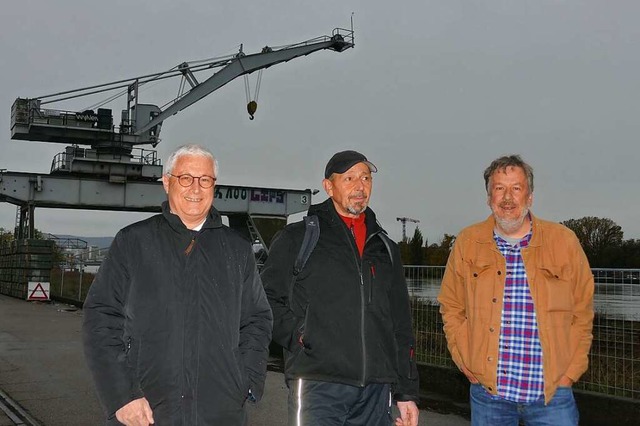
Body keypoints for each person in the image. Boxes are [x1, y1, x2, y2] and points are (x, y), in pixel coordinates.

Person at [82, 144, 273, 425]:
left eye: (204, 180)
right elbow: (100, 318)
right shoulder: (133, 242)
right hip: (146, 410)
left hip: (221, 412)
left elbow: (257, 320)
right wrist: (121, 395)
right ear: (167, 182)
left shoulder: (237, 249)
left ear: (214, 185)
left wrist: (246, 382)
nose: (195, 188)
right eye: (186, 178)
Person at [261, 150, 420, 426]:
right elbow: (265, 299)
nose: (360, 187)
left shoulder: (386, 249)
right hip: (318, 384)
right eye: (349, 178)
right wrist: (300, 335)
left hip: (375, 388)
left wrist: (406, 392)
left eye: (366, 178)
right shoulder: (297, 238)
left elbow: (401, 325)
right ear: (328, 186)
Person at [438, 154, 594, 426]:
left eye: (516, 188)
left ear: (530, 196)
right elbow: (451, 306)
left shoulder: (563, 241)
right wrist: (465, 360)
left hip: (552, 393)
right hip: (489, 394)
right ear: (489, 198)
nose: (507, 197)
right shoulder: (468, 242)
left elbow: (582, 310)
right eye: (499, 188)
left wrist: (570, 372)